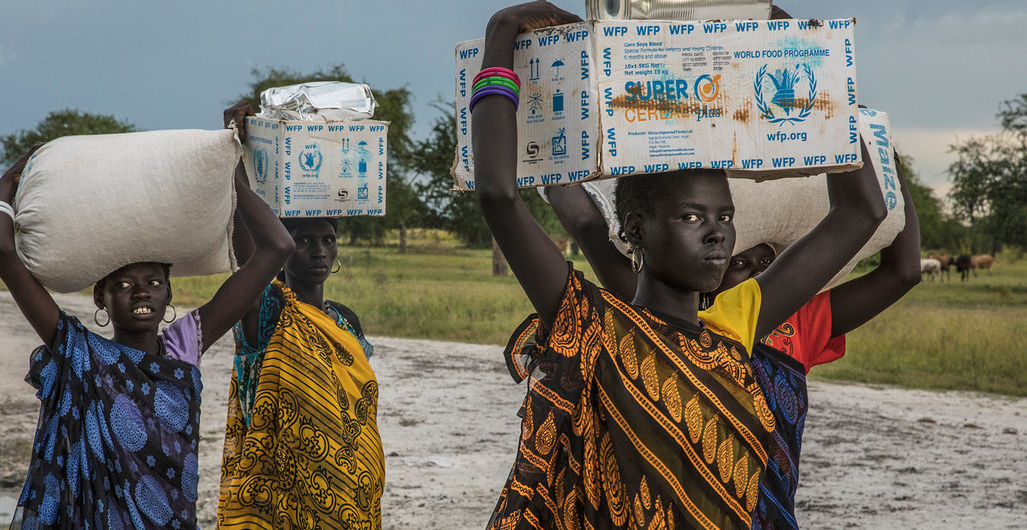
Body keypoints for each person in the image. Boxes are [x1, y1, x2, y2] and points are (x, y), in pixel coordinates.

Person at [472, 3, 888, 529]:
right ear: (636, 229)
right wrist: (502, 33)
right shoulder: (592, 324)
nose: (718, 233)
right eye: (692, 216)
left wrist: (816, 64)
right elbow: (497, 194)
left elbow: (863, 210)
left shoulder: (733, 330)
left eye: (726, 216)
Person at [543, 155, 921, 525]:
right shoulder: (642, 324)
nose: (758, 274)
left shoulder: (786, 323)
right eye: (741, 263)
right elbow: (588, 225)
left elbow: (893, 260)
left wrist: (869, 144)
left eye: (769, 265)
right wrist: (550, 146)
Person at [0, 101, 294, 528]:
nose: (141, 293)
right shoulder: (78, 351)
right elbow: (1, 251)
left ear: (169, 294)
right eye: (124, 285)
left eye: (153, 282)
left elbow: (278, 249)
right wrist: (5, 187)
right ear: (101, 298)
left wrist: (232, 164)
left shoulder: (185, 345)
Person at [217, 118, 381, 526]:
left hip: (350, 485)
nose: (319, 251)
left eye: (327, 239)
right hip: (282, 490)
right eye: (304, 241)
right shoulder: (268, 310)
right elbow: (248, 254)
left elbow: (357, 407)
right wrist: (235, 160)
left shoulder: (345, 320)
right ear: (283, 248)